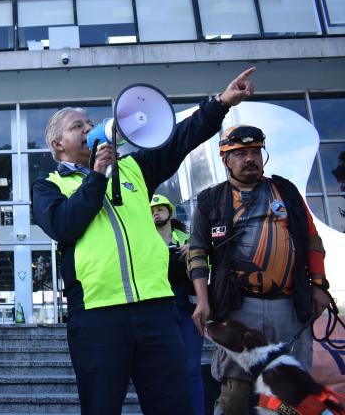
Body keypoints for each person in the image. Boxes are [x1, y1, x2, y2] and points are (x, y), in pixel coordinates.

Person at [32, 68, 256, 415]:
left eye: (90, 123)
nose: (89, 129)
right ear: (57, 143)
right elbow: (65, 225)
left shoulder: (134, 168)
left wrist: (221, 103)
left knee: (173, 406)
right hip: (97, 316)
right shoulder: (48, 185)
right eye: (78, 126)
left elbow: (182, 137)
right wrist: (96, 177)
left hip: (156, 309)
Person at [188, 124, 331, 415]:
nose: (249, 158)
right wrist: (202, 300)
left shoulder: (286, 191)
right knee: (234, 391)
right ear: (224, 159)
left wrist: (319, 284)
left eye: (254, 152)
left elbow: (312, 240)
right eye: (240, 153)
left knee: (293, 388)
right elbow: (197, 252)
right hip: (238, 308)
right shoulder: (210, 200)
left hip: (290, 304)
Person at [150, 194, 204, 415]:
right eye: (152, 210)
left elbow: (206, 266)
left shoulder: (189, 239)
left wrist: (194, 250)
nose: (156, 212)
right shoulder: (142, 240)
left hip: (187, 308)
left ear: (170, 212)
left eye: (160, 208)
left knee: (192, 368)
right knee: (159, 371)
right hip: (157, 309)